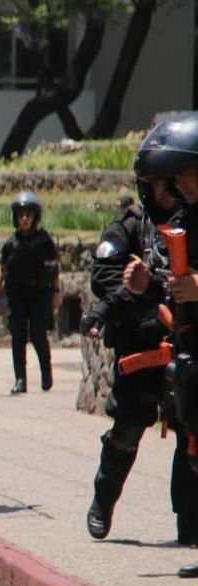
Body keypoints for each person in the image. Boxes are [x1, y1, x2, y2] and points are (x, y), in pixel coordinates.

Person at [83, 115, 198, 547]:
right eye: (158, 183)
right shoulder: (129, 228)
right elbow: (106, 279)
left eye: (173, 180)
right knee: (128, 429)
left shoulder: (191, 224)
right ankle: (103, 500)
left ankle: (189, 525)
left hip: (183, 344)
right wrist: (143, 292)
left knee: (190, 436)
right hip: (141, 345)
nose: (168, 190)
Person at [0, 192, 59, 393]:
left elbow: (55, 269)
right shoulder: (11, 243)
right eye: (21, 215)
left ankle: (46, 375)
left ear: (34, 217)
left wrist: (56, 293)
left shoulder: (44, 240)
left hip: (40, 295)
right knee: (17, 337)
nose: (24, 219)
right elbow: (1, 269)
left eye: (28, 215)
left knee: (38, 336)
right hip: (17, 296)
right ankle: (20, 379)